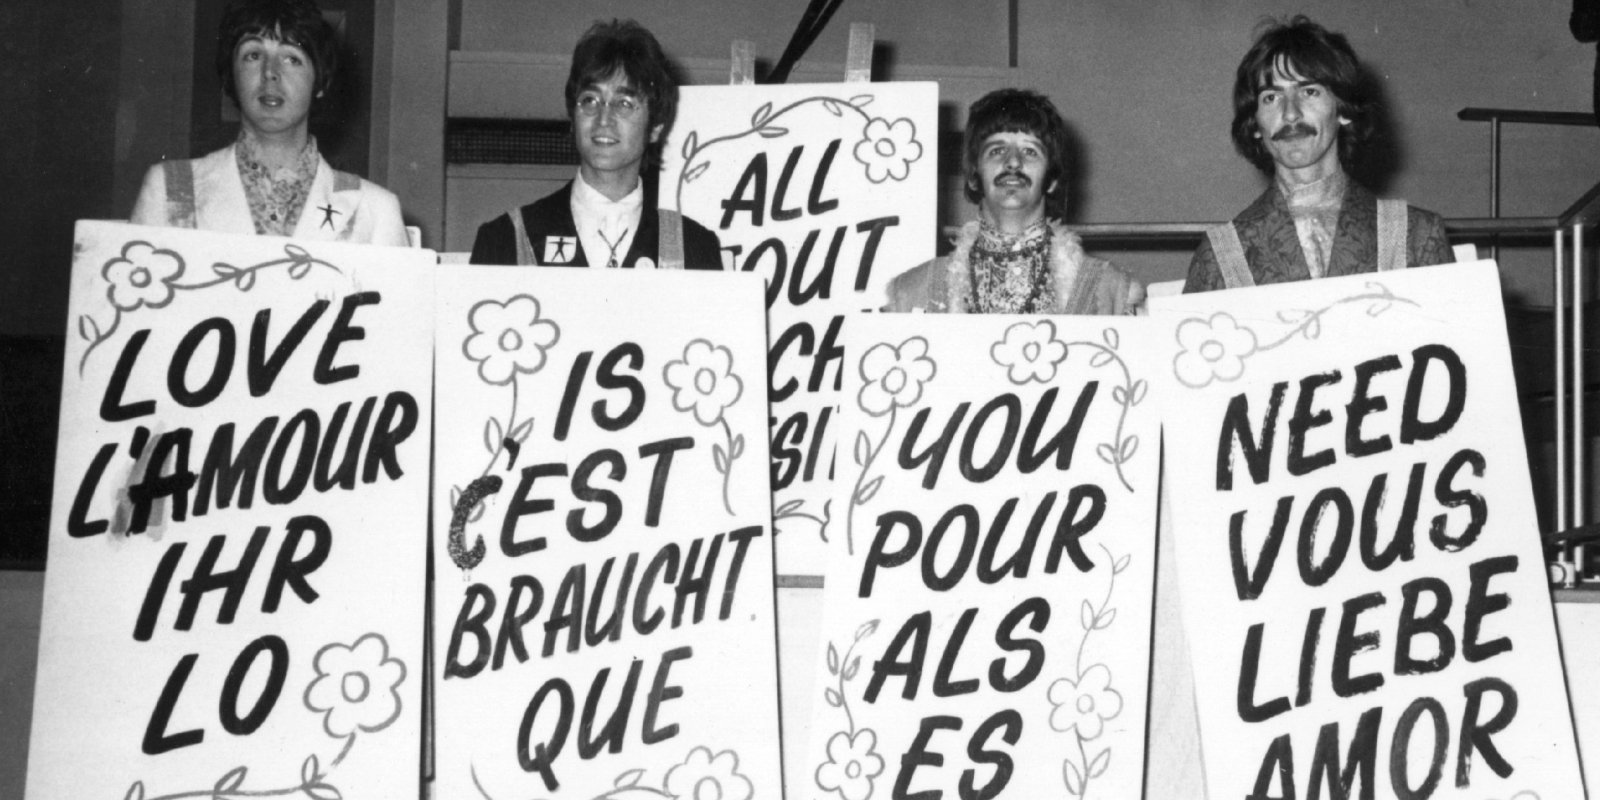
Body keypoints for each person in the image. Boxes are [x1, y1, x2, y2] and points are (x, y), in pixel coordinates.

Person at [1183, 16, 1452, 293]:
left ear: (1343, 111)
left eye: (1309, 92)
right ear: (1255, 125)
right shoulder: (1220, 256)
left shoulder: (1416, 237)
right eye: (1271, 98)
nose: (1290, 113)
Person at [131, 0, 407, 246]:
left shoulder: (375, 209)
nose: (270, 73)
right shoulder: (170, 189)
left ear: (320, 82)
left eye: (292, 58)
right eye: (253, 55)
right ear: (231, 76)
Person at [469, 19, 721, 269]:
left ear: (655, 127)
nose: (603, 119)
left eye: (624, 104)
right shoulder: (504, 240)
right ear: (573, 117)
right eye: (590, 100)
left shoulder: (695, 248)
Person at [885, 89, 1143, 314]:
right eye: (997, 150)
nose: (1013, 162)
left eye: (1030, 151)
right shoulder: (911, 292)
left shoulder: (1110, 291)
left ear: (1052, 180)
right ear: (974, 176)